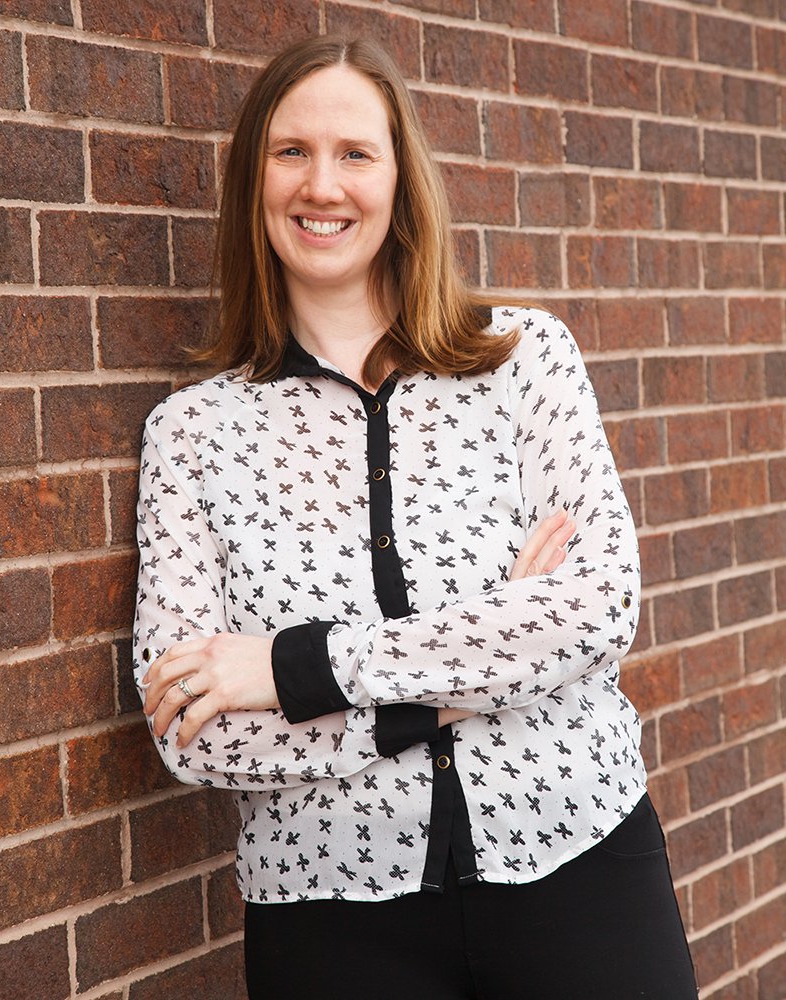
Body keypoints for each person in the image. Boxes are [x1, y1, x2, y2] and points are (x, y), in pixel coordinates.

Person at [134, 35, 698, 1000]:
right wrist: (483, 662)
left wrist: (292, 668)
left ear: (401, 181)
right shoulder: (193, 434)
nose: (324, 185)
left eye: (356, 153)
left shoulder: (522, 358)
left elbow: (596, 606)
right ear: (252, 182)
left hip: (583, 866)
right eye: (291, 152)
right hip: (331, 917)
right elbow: (196, 733)